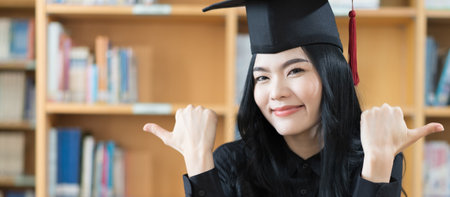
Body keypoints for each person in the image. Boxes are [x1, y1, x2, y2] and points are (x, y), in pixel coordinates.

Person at [142, 0, 445, 196]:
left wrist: (378, 162)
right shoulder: (231, 163)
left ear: (332, 75)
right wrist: (197, 159)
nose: (276, 93)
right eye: (262, 77)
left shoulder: (372, 155)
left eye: (295, 70)